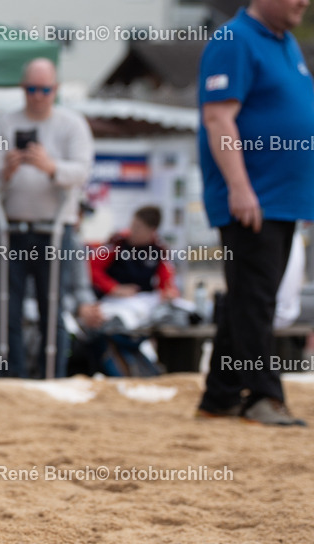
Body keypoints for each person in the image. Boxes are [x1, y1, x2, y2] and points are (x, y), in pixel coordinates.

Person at [195, 0, 312, 426]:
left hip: (284, 199)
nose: (304, 2)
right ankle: (262, 394)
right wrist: (240, 188)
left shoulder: (287, 44)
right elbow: (218, 118)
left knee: (250, 296)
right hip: (253, 198)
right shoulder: (234, 39)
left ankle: (221, 395)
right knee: (256, 300)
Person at [0, 58, 94, 378]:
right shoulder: (3, 124)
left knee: (53, 308)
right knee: (8, 308)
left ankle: (51, 377)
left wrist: (50, 166)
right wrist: (7, 168)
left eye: (45, 90)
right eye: (32, 89)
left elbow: (82, 171)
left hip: (56, 230)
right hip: (10, 229)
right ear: (23, 89)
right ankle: (13, 377)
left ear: (55, 90)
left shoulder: (72, 124)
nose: (38, 96)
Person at [90, 205, 180, 330]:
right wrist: (114, 288)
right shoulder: (118, 243)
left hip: (143, 301)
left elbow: (167, 281)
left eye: (138, 228)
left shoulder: (159, 249)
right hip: (114, 301)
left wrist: (169, 292)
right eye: (132, 225)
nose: (132, 231)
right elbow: (92, 268)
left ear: (151, 231)